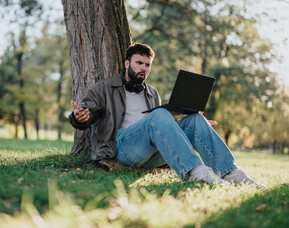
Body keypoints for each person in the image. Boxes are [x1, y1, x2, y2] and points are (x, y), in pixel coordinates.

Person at [69, 42, 266, 188]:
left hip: (153, 152)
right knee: (159, 115)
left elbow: (163, 127)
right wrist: (78, 118)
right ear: (127, 63)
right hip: (122, 149)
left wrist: (188, 119)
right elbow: (85, 113)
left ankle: (231, 173)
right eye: (139, 63)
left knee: (195, 119)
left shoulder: (152, 92)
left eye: (147, 65)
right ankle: (196, 173)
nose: (143, 69)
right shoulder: (104, 87)